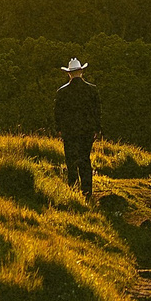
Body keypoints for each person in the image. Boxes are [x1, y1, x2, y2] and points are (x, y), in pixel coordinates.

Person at [55, 56, 101, 198]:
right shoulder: (92, 90)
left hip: (69, 131)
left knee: (71, 160)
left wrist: (59, 129)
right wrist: (97, 129)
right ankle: (87, 191)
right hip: (87, 130)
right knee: (85, 159)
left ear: (69, 73)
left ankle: (73, 190)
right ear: (81, 72)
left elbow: (58, 113)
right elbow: (97, 111)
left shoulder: (62, 92)